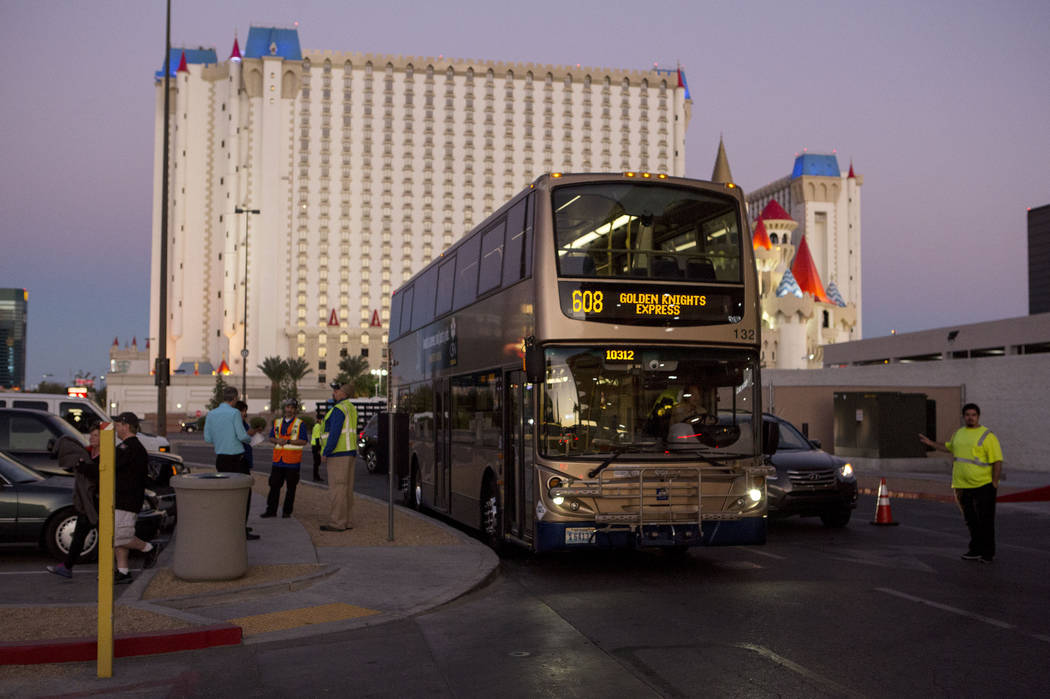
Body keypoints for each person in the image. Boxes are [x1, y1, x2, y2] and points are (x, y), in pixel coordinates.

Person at [919, 403, 1003, 562]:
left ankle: (987, 553)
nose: (970, 417)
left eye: (973, 415)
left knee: (985, 520)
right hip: (960, 485)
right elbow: (950, 447)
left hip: (982, 485)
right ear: (963, 416)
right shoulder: (959, 433)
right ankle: (975, 549)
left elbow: (997, 461)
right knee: (970, 519)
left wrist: (994, 483)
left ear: (978, 416)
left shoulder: (987, 435)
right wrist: (931, 444)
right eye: (967, 415)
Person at [47, 422, 101, 579]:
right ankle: (67, 567)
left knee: (108, 538)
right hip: (86, 502)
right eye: (91, 434)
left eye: (96, 435)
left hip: (97, 502)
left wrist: (84, 467)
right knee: (79, 535)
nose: (92, 437)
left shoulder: (104, 456)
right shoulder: (87, 453)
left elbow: (98, 476)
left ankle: (111, 569)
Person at [204, 386, 259, 540]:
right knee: (243, 495)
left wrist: (221, 438)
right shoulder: (234, 413)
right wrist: (250, 438)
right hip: (237, 459)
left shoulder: (211, 414)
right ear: (234, 398)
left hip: (221, 459)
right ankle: (241, 529)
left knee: (226, 494)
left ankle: (228, 526)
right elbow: (242, 436)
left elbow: (208, 438)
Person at [112, 413, 160, 583]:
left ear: (126, 426)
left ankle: (149, 548)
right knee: (120, 535)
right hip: (125, 497)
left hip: (127, 498)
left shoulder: (129, 447)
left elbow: (112, 465)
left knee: (119, 535)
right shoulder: (131, 446)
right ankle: (123, 571)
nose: (116, 428)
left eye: (118, 425)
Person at [320, 382, 358, 532]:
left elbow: (334, 434)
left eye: (337, 390)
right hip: (350, 452)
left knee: (337, 489)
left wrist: (326, 452)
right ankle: (347, 521)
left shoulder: (338, 409)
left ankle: (337, 523)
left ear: (344, 393)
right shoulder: (351, 408)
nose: (334, 392)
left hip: (338, 454)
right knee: (347, 489)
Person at [262, 398, 308, 518]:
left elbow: (303, 441)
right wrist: (277, 440)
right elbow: (271, 437)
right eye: (287, 407)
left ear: (295, 409)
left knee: (291, 489)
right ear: (284, 408)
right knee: (273, 487)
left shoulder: (300, 424)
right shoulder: (277, 422)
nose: (289, 409)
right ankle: (271, 511)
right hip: (278, 461)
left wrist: (288, 441)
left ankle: (287, 512)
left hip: (292, 462)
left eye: (292, 407)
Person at [310, 418, 324, 482]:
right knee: (317, 463)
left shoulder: (317, 426)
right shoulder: (318, 426)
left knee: (317, 462)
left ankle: (316, 476)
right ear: (318, 420)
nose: (322, 421)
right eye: (322, 419)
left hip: (315, 446)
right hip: (316, 446)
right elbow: (317, 438)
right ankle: (315, 477)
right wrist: (319, 449)